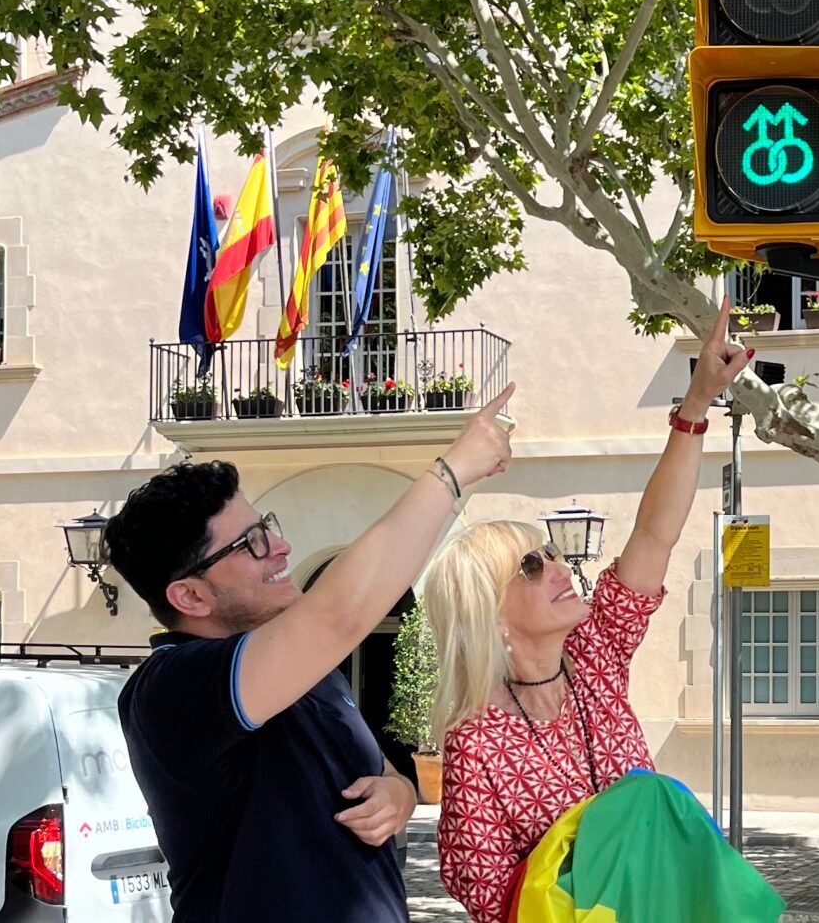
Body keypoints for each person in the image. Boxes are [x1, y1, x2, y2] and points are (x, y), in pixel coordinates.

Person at [103, 385, 516, 922]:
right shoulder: (172, 688)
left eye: (266, 526)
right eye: (249, 543)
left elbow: (379, 769)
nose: (280, 547)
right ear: (190, 595)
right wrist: (453, 473)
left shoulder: (310, 671)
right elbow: (339, 613)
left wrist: (399, 795)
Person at [426, 301, 752, 921]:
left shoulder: (594, 656)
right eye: (529, 566)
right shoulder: (477, 744)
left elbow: (655, 536)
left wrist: (695, 407)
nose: (556, 567)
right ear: (488, 616)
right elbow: (492, 901)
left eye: (550, 552)